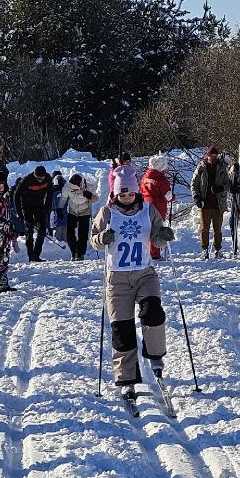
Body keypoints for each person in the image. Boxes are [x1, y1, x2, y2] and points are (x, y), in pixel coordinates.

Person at [91, 164, 175, 395]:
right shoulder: (107, 213)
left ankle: (156, 358)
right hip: (117, 279)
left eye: (130, 193)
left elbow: (158, 238)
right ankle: (126, 378)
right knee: (122, 329)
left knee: (153, 312)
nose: (127, 198)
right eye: (122, 194)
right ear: (114, 194)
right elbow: (94, 239)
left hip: (145, 274)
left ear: (136, 191)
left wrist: (163, 236)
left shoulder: (148, 210)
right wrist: (102, 238)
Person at [192, 145, 229, 259]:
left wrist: (221, 188)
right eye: (210, 155)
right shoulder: (201, 167)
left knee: (218, 229)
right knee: (204, 228)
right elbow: (194, 184)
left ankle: (218, 250)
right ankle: (204, 250)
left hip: (218, 203)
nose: (212, 157)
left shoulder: (222, 167)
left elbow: (228, 184)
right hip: (205, 203)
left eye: (214, 155)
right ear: (207, 155)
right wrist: (197, 197)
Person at [13, 164, 53, 261]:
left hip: (39, 206)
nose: (40, 180)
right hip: (27, 207)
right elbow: (16, 196)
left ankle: (36, 255)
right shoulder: (26, 180)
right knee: (29, 231)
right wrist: (19, 212)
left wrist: (47, 209)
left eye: (41, 178)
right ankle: (31, 257)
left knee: (42, 230)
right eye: (37, 178)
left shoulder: (48, 179)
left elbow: (50, 194)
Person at [140, 155, 174, 259]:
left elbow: (140, 191)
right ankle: (155, 253)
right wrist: (173, 196)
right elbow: (167, 197)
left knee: (147, 229)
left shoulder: (145, 177)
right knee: (157, 230)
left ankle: (145, 251)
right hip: (158, 207)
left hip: (145, 206)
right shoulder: (161, 179)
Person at [60, 172, 97, 260]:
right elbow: (63, 198)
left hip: (85, 212)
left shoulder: (88, 186)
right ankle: (74, 251)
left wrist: (90, 196)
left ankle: (81, 253)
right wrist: (60, 208)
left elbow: (96, 199)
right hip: (72, 212)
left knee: (83, 235)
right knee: (70, 233)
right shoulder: (67, 187)